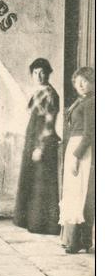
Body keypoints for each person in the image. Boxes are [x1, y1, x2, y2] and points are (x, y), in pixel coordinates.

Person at [14, 58, 60, 234]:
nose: (39, 76)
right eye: (35, 72)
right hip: (32, 138)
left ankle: (44, 224)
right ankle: (31, 221)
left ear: (48, 73)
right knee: (32, 180)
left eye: (42, 72)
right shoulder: (36, 92)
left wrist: (40, 147)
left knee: (42, 183)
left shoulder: (50, 93)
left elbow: (49, 122)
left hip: (44, 140)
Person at [59, 67, 95, 253]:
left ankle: (77, 241)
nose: (80, 85)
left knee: (79, 194)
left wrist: (76, 156)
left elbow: (90, 134)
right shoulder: (81, 101)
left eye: (85, 81)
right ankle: (75, 239)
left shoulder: (92, 102)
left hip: (83, 150)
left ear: (93, 82)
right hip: (74, 146)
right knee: (73, 193)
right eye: (77, 81)